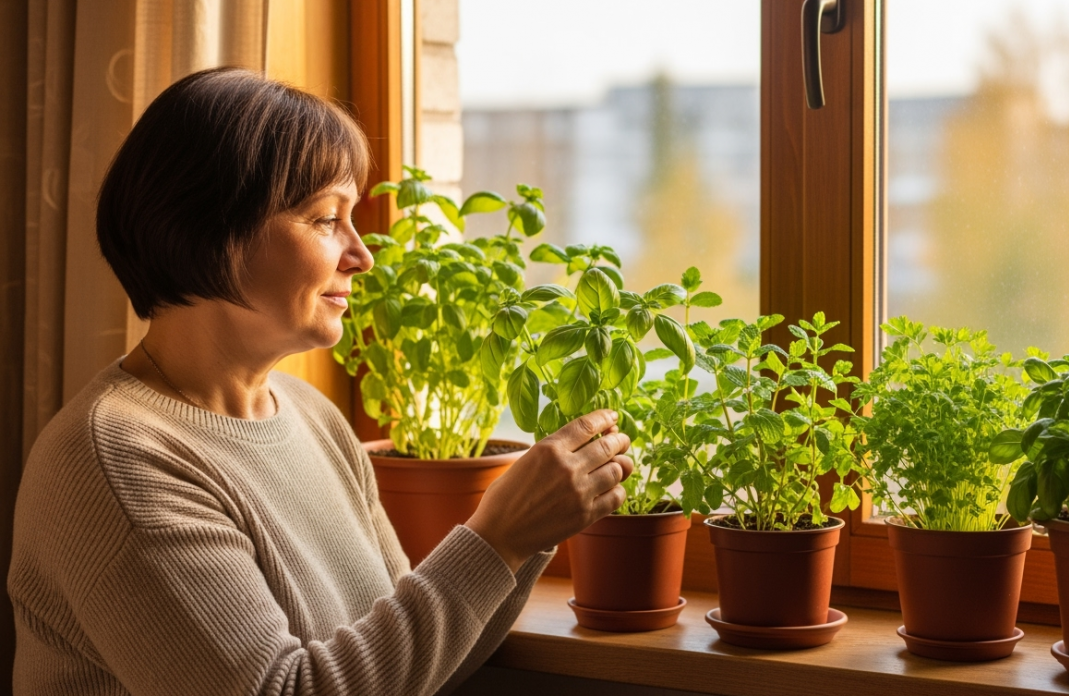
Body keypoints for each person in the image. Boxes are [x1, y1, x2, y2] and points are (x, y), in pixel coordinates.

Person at [8, 67, 632, 696]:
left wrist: (529, 536)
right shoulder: (116, 459)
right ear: (209, 230)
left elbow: (413, 672)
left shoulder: (311, 415)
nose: (362, 255)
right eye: (325, 219)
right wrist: (497, 535)